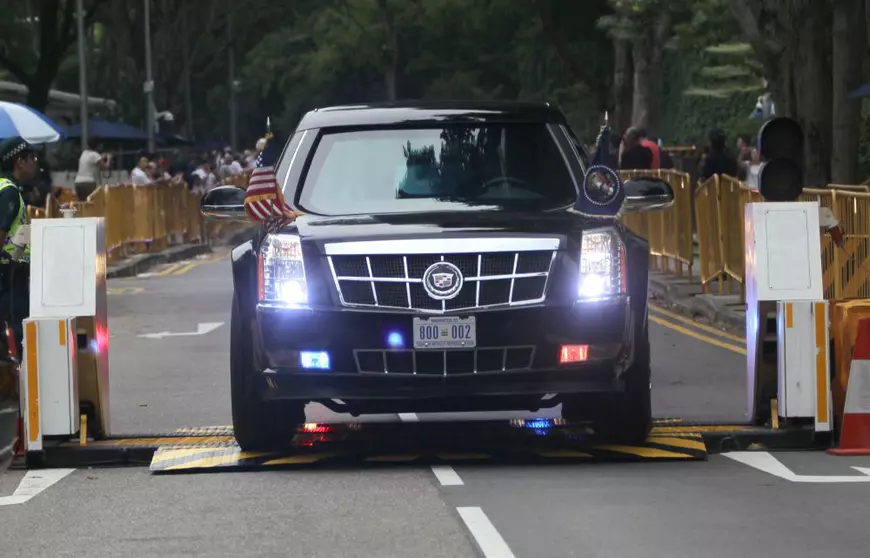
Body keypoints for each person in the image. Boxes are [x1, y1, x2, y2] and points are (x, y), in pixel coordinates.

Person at [0, 137, 39, 361]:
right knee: (16, 329)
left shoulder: (11, 189)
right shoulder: (10, 193)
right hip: (9, 271)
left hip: (13, 269)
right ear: (19, 161)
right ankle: (18, 383)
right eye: (32, 158)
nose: (35, 163)